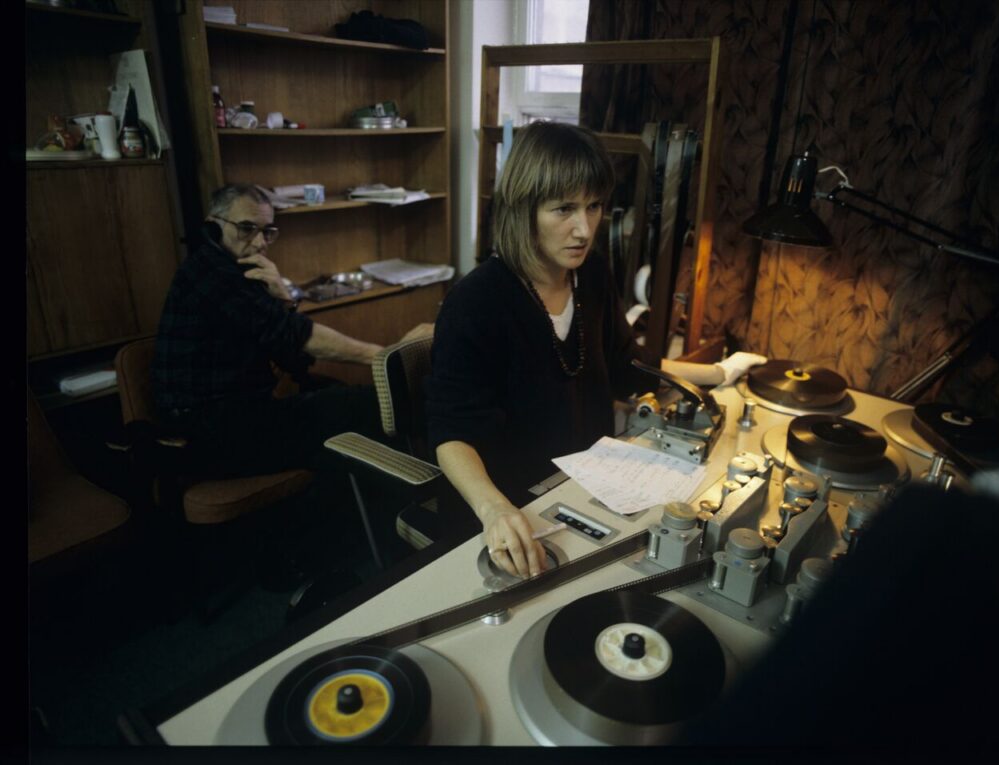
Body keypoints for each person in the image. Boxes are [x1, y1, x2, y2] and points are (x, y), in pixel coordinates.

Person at [425, 122, 765, 580]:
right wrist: (494, 510)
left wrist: (721, 372)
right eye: (563, 209)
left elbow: (628, 368)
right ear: (523, 210)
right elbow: (451, 436)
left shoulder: (592, 276)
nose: (583, 229)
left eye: (594, 206)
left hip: (586, 492)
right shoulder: (475, 302)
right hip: (506, 514)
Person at [152, 183, 432, 479]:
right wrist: (385, 359)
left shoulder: (236, 269)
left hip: (237, 412)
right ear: (213, 227)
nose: (260, 242)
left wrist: (284, 297)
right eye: (247, 228)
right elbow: (302, 338)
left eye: (268, 232)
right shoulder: (213, 273)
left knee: (351, 404)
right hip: (208, 429)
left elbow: (291, 356)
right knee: (368, 406)